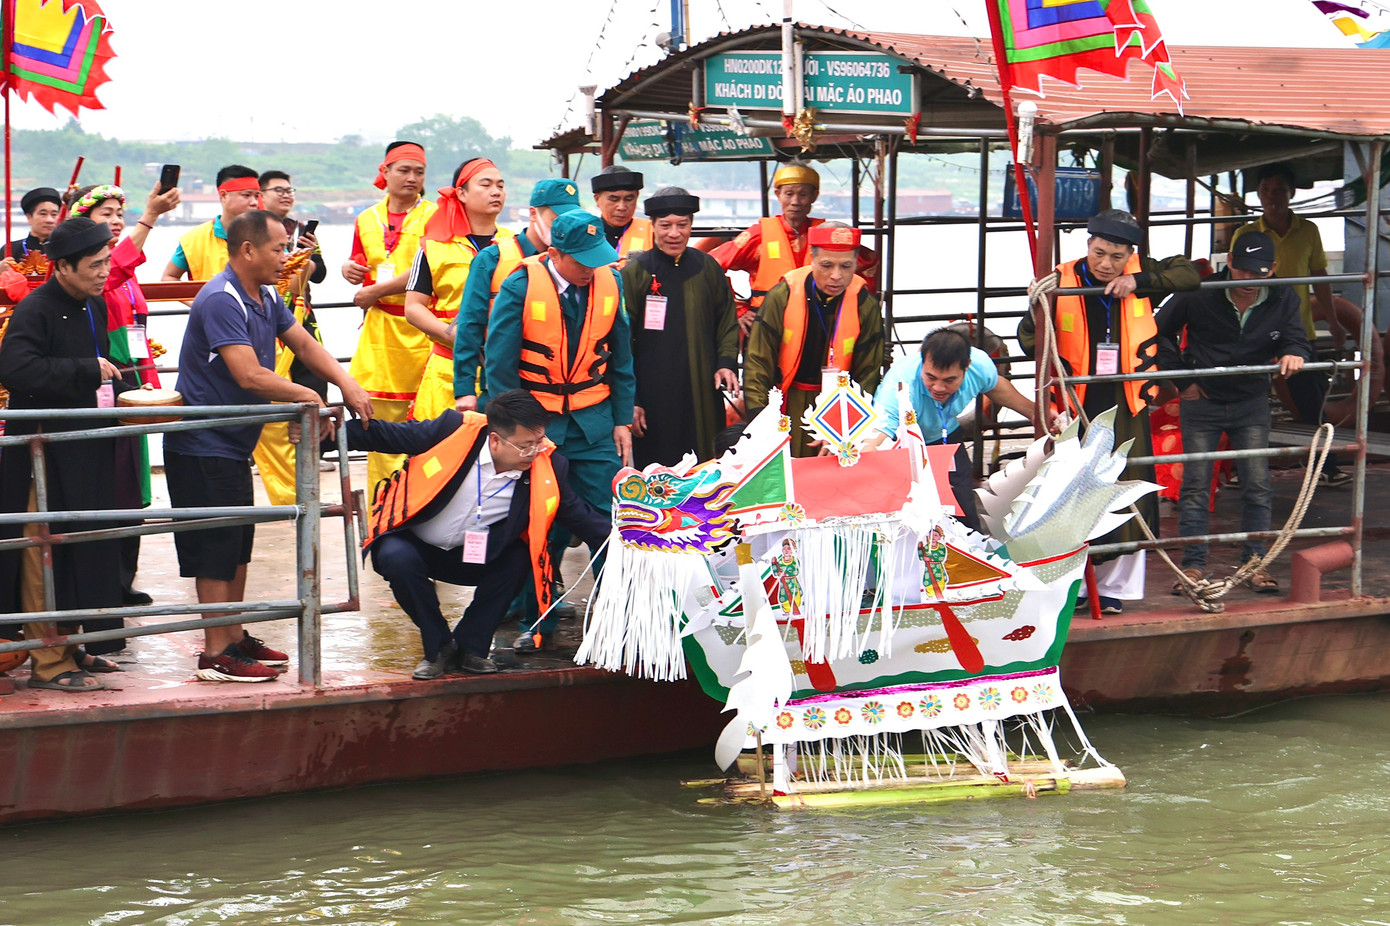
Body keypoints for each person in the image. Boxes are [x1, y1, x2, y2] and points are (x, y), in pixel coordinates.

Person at [164, 210, 373, 682]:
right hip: (202, 443)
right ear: (248, 251)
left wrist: (347, 382)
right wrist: (309, 395)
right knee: (215, 550)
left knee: (238, 548)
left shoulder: (267, 295)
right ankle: (215, 652)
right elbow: (249, 374)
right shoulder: (221, 298)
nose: (287, 257)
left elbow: (302, 342)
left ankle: (235, 637)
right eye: (279, 249)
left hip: (234, 443)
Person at [342, 389, 610, 677]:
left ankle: (472, 647)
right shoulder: (452, 431)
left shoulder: (548, 465)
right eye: (525, 445)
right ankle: (439, 646)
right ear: (495, 440)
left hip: (477, 554)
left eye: (539, 442)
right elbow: (389, 435)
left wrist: (633, 542)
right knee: (396, 557)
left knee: (519, 559)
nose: (534, 452)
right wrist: (329, 432)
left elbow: (581, 518)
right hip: (416, 544)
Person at [1019, 208, 1200, 614]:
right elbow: (1029, 342)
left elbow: (1190, 275)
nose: (1106, 264)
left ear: (1129, 254)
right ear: (1087, 246)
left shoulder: (1140, 274)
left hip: (1127, 400)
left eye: (1117, 257)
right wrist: (1036, 307)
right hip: (1077, 402)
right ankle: (1074, 584)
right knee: (1071, 492)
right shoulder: (1060, 280)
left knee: (1127, 489)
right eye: (1100, 253)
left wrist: (1139, 280)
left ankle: (1114, 587)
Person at [485, 209, 634, 651]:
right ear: (555, 253)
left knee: (616, 521)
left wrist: (622, 420)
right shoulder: (519, 285)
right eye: (582, 260)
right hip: (541, 426)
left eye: (597, 259)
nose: (592, 269)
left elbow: (622, 360)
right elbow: (500, 367)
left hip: (594, 421)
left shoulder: (611, 282)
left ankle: (618, 615)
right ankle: (539, 622)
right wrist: (521, 434)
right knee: (540, 529)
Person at [0, 218, 130, 690]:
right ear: (63, 266)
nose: (103, 272)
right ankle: (48, 660)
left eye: (106, 262)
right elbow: (14, 368)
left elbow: (103, 368)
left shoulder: (90, 305)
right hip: (43, 456)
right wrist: (84, 369)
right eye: (94, 265)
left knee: (81, 548)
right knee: (43, 552)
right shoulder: (36, 308)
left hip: (83, 447)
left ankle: (73, 643)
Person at [1155, 232, 1312, 595]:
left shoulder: (1284, 295)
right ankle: (1193, 567)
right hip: (1202, 399)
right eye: (1240, 271)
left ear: (1272, 269)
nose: (1247, 281)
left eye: (1256, 273)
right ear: (1229, 262)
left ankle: (1254, 561)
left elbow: (1297, 337)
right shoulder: (1200, 290)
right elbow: (1158, 331)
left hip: (1252, 399)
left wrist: (1293, 351)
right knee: (1195, 485)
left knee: (1258, 485)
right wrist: (1182, 379)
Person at [67, 181, 182, 617]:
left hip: (133, 383)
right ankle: (106, 581)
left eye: (119, 214)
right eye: (105, 215)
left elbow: (138, 332)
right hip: (106, 385)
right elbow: (113, 267)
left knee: (134, 484)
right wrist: (148, 217)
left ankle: (124, 578)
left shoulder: (126, 274)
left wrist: (150, 380)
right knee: (109, 483)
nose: (115, 222)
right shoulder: (99, 271)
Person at [1230, 162, 1350, 488]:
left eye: (1279, 190)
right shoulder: (1245, 235)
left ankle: (1326, 467)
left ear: (1291, 193)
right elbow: (1233, 283)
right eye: (1266, 190)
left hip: (1298, 332)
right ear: (1258, 194)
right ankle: (1238, 470)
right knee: (1243, 400)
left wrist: (1335, 323)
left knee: (1312, 401)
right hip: (1254, 329)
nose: (1272, 196)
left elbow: (1320, 279)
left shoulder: (1308, 231)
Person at [871, 328, 1051, 532]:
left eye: (949, 380)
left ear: (967, 367)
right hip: (905, 445)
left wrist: (1034, 413)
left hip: (946, 437)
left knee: (963, 506)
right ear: (922, 362)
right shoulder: (900, 384)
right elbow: (879, 433)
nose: (938, 387)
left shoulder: (980, 365)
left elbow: (995, 386)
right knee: (908, 511)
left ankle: (970, 552)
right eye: (931, 377)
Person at [620, 186, 739, 466]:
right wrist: (632, 400)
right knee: (657, 467)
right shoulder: (636, 272)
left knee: (706, 461)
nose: (674, 233)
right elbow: (621, 340)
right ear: (653, 226)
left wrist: (726, 362)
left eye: (682, 225)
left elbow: (727, 320)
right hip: (651, 391)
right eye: (666, 226)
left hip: (702, 386)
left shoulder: (708, 268)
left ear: (691, 226)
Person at [743, 222, 885, 457]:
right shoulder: (783, 295)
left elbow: (868, 374)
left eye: (846, 266)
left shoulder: (864, 304)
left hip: (838, 405)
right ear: (812, 258)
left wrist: (844, 429)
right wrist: (761, 424)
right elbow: (757, 363)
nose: (836, 276)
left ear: (856, 265)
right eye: (827, 265)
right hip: (786, 400)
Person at [342, 141, 437, 492]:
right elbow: (360, 262)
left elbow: (427, 267)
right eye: (404, 170)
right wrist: (348, 269)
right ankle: (380, 510)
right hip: (380, 334)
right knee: (376, 427)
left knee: (423, 426)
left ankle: (415, 506)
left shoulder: (434, 215)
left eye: (419, 172)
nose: (412, 178)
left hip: (422, 329)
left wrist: (376, 291)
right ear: (385, 173)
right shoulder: (366, 218)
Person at [453, 178, 583, 410]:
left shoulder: (578, 263)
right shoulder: (492, 259)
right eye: (555, 221)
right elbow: (470, 325)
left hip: (561, 390)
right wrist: (464, 390)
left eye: (568, 222)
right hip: (503, 384)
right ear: (533, 214)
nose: (561, 229)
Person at [710, 161, 878, 336]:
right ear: (778, 194)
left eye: (803, 194)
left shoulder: (827, 234)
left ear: (814, 196)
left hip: (817, 323)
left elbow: (868, 260)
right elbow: (711, 264)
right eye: (789, 194)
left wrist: (856, 308)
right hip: (767, 324)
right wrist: (738, 309)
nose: (795, 201)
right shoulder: (759, 235)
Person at [404, 158, 512, 422]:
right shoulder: (434, 246)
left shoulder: (515, 243)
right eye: (485, 184)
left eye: (500, 185)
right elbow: (413, 307)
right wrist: (461, 339)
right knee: (442, 451)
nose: (496, 191)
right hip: (447, 369)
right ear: (461, 193)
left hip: (502, 368)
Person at [251, 169, 331, 506]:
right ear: (261, 195)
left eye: (290, 189)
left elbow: (322, 273)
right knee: (273, 394)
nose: (286, 195)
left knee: (313, 382)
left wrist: (308, 256)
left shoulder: (300, 231)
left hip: (299, 322)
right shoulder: (252, 231)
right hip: (265, 331)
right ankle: (269, 460)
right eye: (278, 190)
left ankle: (309, 456)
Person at [161, 165, 262, 282]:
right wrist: (197, 301)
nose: (254, 202)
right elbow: (169, 277)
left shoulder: (267, 236)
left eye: (256, 196)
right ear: (224, 195)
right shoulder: (195, 239)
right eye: (247, 195)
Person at [590, 165, 651, 259]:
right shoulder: (585, 234)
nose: (621, 207)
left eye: (629, 199)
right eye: (614, 200)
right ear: (597, 200)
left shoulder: (651, 231)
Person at [7, 186, 61, 260]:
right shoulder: (10, 250)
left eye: (54, 214)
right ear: (29, 217)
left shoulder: (66, 249)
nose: (50, 220)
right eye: (43, 214)